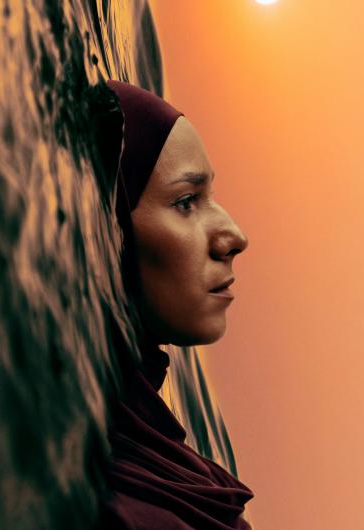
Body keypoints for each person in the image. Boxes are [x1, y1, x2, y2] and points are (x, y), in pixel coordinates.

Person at [95, 80, 254, 530]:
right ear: (108, 230)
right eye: (186, 201)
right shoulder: (128, 508)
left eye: (210, 197)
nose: (234, 237)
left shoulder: (167, 466)